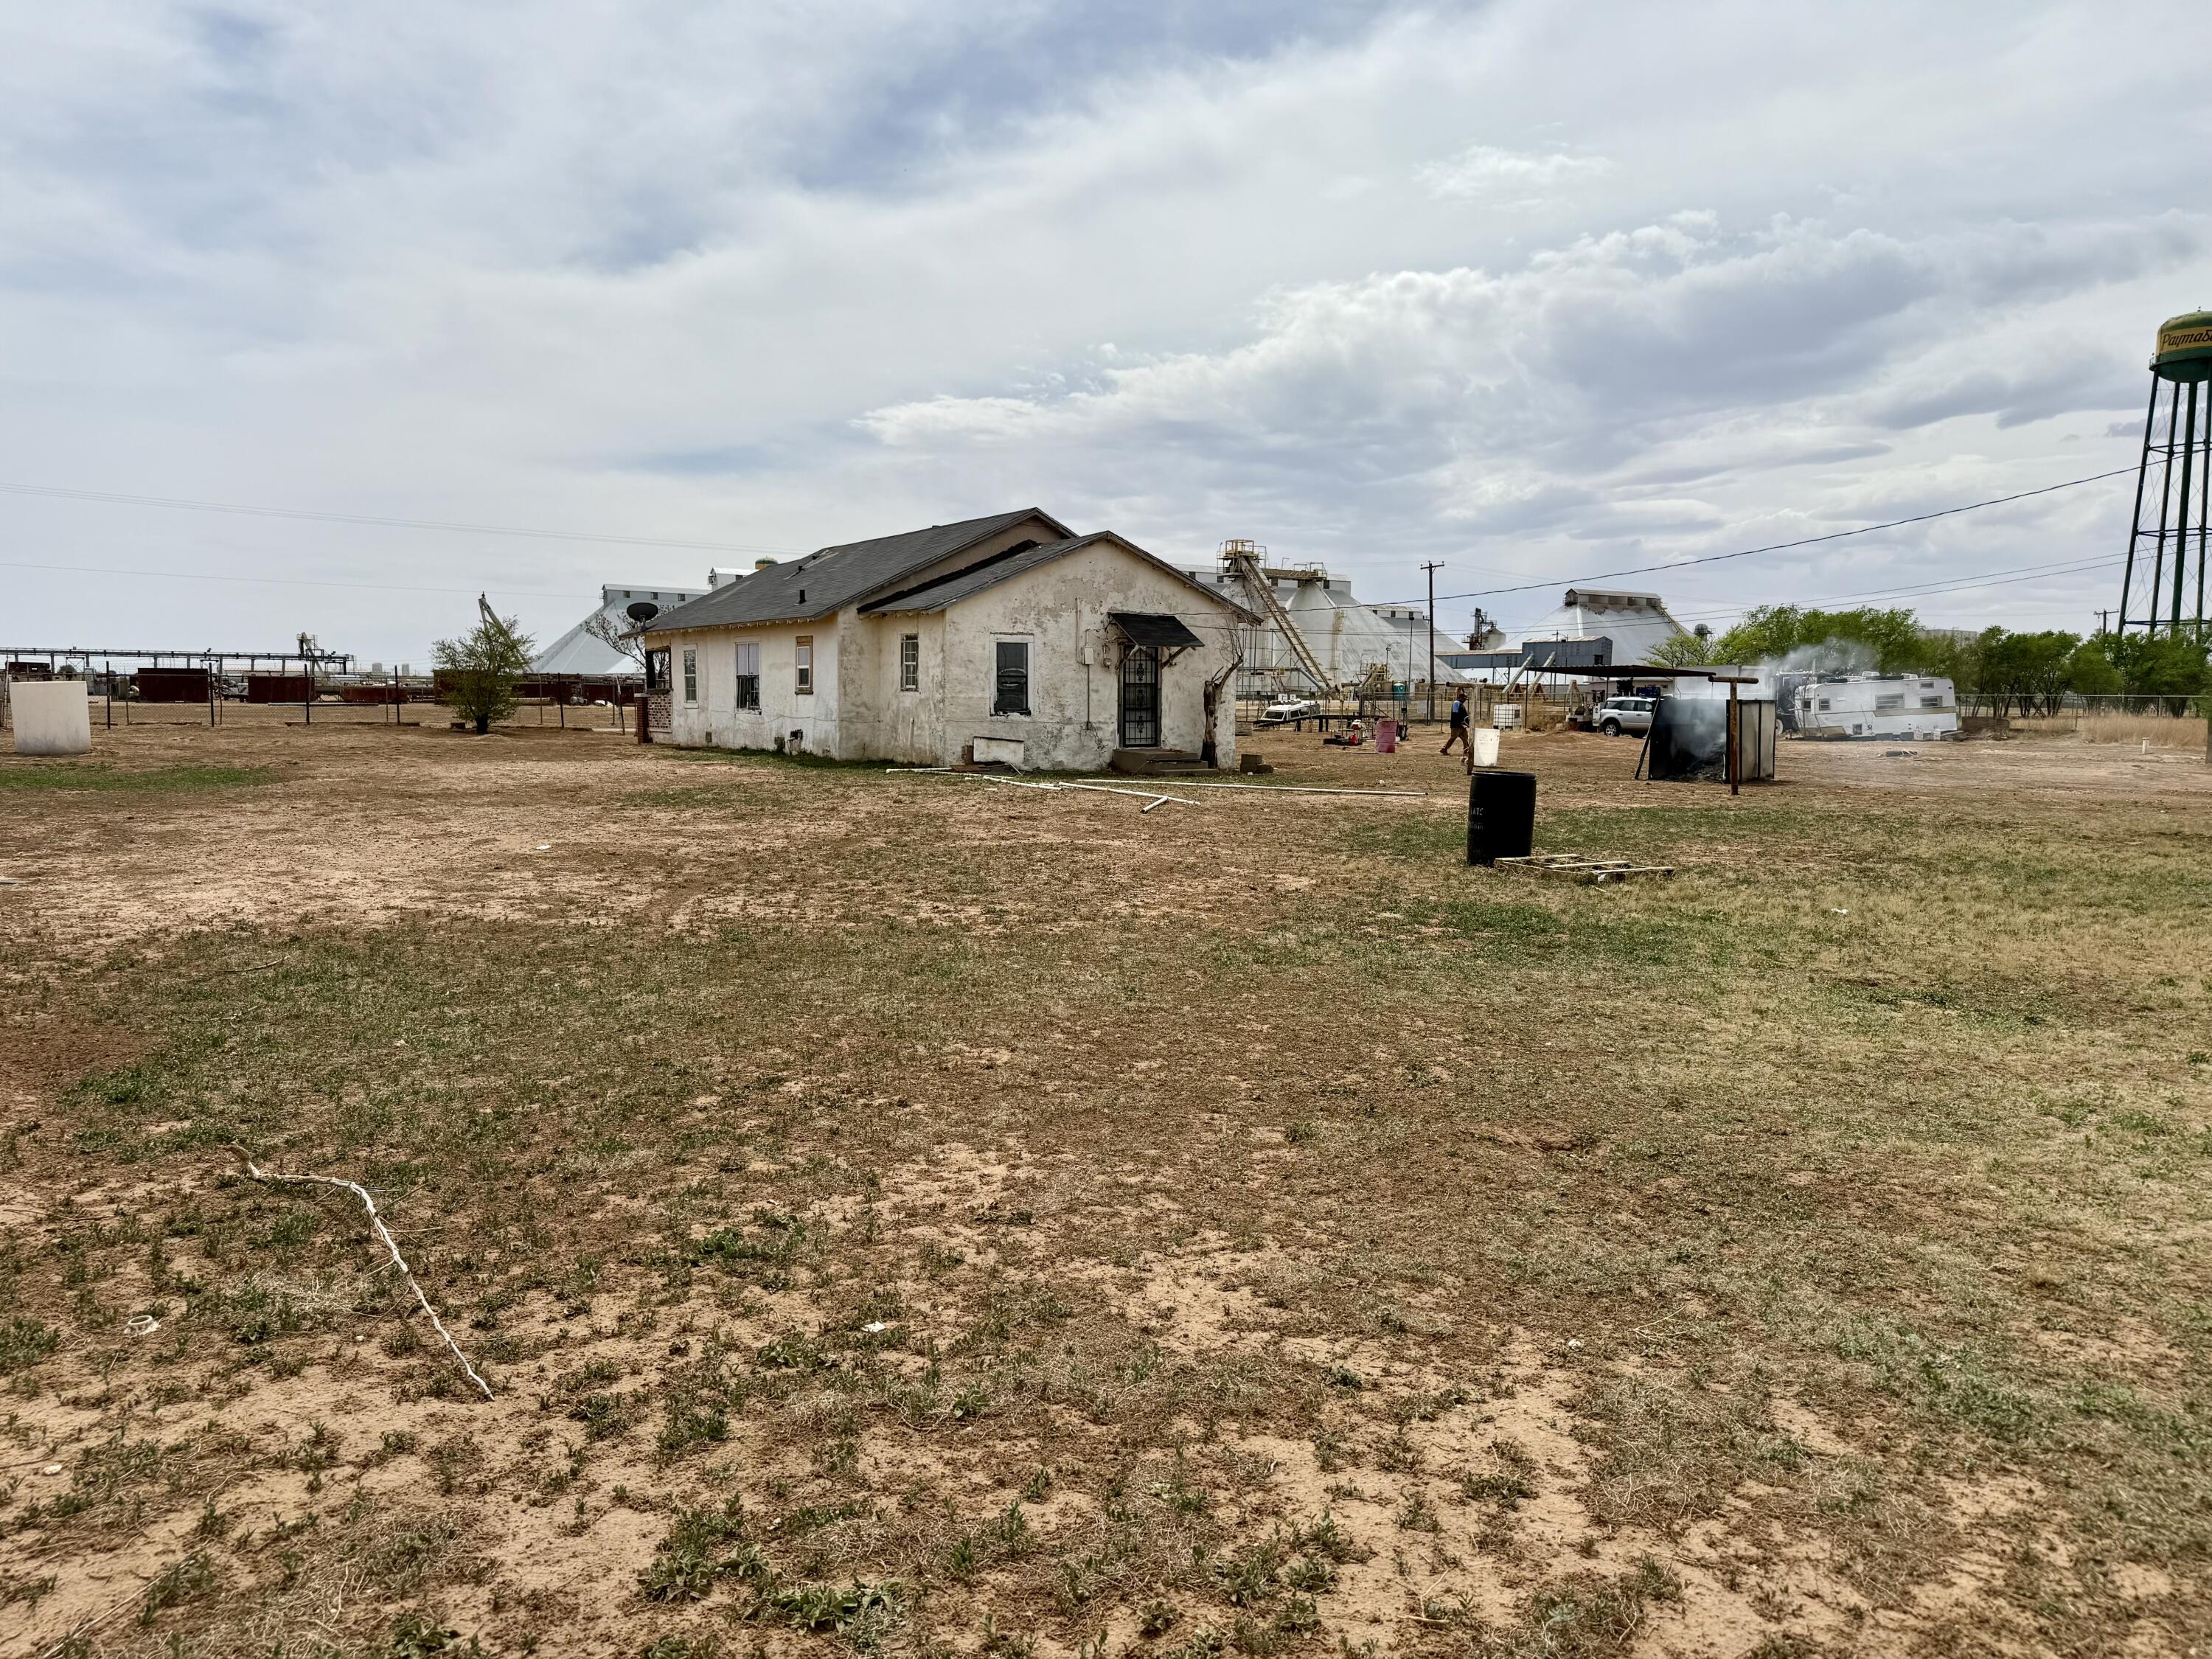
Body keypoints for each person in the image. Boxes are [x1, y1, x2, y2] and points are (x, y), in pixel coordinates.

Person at [1441, 691, 1471, 757]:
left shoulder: (1461, 704)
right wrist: (1460, 722)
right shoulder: (1456, 703)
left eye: (1465, 699)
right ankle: (1444, 749)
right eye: (1464, 698)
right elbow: (1455, 714)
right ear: (1460, 698)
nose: (1465, 700)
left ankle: (1466, 750)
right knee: (1453, 737)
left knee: (1465, 737)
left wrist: (1466, 723)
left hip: (1462, 726)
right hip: (1456, 725)